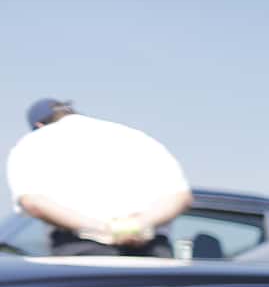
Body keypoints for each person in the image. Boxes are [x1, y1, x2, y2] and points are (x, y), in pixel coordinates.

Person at [6, 98, 191, 256]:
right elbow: (180, 196)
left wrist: (105, 229)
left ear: (38, 125)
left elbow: (34, 203)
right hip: (153, 254)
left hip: (83, 254)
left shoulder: (33, 143)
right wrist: (138, 224)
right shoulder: (136, 137)